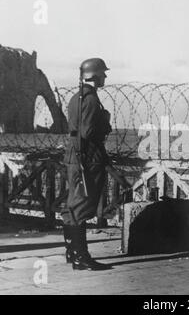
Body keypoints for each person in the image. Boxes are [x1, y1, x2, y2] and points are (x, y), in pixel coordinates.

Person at [62, 58, 112, 271]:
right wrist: (105, 125)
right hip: (87, 157)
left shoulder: (76, 98)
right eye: (103, 73)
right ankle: (81, 257)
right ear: (94, 75)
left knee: (74, 204)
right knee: (82, 204)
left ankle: (72, 252)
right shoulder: (90, 100)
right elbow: (89, 132)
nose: (105, 77)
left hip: (75, 155)